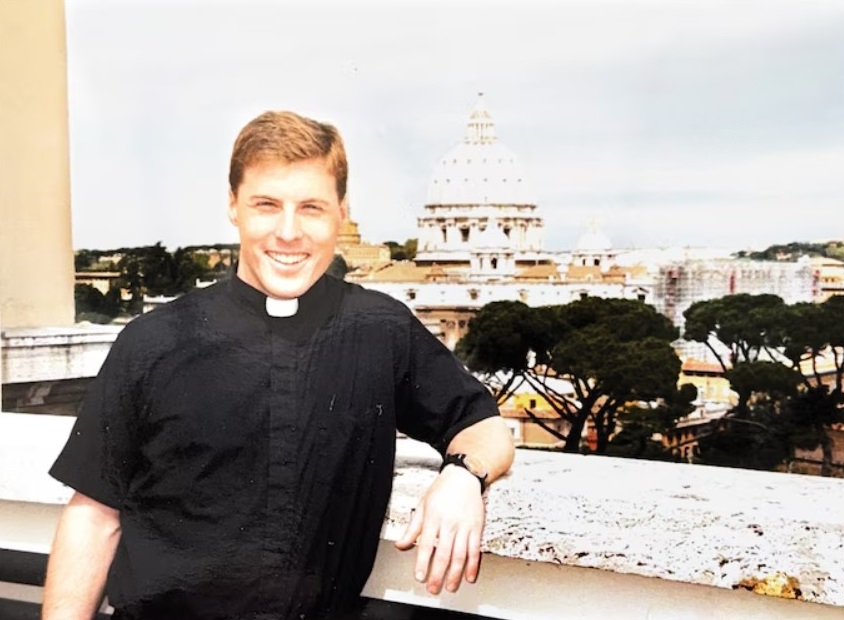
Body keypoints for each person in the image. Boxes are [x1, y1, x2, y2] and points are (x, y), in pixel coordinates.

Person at [42, 110, 515, 620]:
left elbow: (483, 425)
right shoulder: (151, 340)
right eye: (266, 205)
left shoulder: (382, 329)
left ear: (341, 211)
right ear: (234, 207)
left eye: (310, 207)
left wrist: (464, 477)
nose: (288, 233)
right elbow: (93, 517)